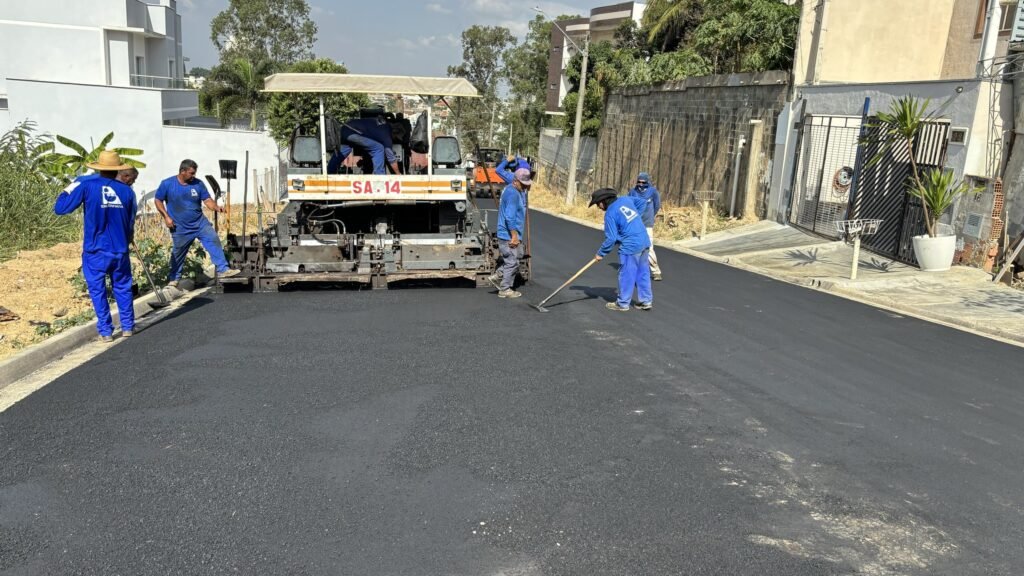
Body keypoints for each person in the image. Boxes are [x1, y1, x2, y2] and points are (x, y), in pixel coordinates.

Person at [53, 150, 138, 342]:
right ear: (117, 169)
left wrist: (69, 187)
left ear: (98, 167)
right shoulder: (127, 192)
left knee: (98, 290)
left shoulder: (86, 184)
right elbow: (130, 224)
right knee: (123, 288)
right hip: (119, 249)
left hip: (95, 249)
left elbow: (61, 208)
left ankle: (106, 332)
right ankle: (127, 327)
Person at [154, 159, 240, 287]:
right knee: (178, 252)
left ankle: (223, 269)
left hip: (200, 223)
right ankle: (173, 280)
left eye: (194, 173)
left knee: (213, 239)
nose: (193, 176)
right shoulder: (167, 184)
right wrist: (166, 217)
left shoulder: (198, 184)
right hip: (180, 227)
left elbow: (207, 200)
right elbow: (158, 200)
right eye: (191, 173)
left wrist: (217, 207)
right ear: (182, 171)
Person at [589, 187, 653, 312]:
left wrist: (600, 254)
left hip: (631, 246)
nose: (598, 207)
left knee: (627, 274)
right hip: (644, 240)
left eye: (598, 204)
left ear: (604, 201)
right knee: (642, 272)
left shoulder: (610, 214)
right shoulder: (625, 200)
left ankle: (622, 303)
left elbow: (611, 238)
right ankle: (646, 301)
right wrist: (633, 219)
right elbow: (642, 203)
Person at [487, 168, 532, 298]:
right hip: (508, 235)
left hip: (509, 234)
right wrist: (514, 235)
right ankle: (504, 289)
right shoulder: (513, 194)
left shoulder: (509, 189)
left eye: (527, 184)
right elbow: (509, 217)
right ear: (516, 181)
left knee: (515, 261)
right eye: (523, 184)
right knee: (512, 262)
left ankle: (498, 276)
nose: (525, 186)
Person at [327, 117, 401, 175]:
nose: (395, 139)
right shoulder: (387, 136)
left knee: (342, 152)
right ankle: (380, 175)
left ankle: (329, 172)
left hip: (345, 129)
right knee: (379, 148)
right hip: (353, 132)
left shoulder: (383, 125)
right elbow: (391, 159)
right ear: (395, 132)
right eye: (396, 137)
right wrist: (398, 174)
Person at [628, 172, 663, 281]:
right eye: (639, 182)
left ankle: (656, 271)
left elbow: (657, 205)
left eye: (643, 182)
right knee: (634, 247)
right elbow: (628, 206)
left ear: (647, 182)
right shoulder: (632, 192)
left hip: (647, 224)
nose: (641, 184)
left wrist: (651, 216)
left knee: (649, 248)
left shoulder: (653, 192)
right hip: (635, 224)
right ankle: (635, 271)